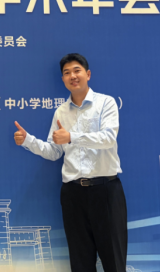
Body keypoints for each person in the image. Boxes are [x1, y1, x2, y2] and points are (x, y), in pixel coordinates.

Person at [13, 54, 127, 272]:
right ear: (63, 79)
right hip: (73, 194)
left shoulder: (106, 102)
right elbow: (54, 151)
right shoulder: (61, 112)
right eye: (67, 73)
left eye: (77, 70)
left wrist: (72, 137)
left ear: (88, 74)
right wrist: (28, 140)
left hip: (106, 190)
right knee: (80, 261)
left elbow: (108, 138)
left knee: (114, 259)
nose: (72, 76)